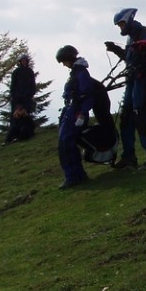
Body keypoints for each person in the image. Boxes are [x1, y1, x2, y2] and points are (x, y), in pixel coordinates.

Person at [104, 8, 146, 170]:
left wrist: (140, 63)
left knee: (140, 116)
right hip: (133, 80)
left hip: (144, 80)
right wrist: (116, 50)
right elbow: (130, 57)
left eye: (121, 24)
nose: (120, 27)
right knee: (126, 117)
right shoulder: (131, 38)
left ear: (129, 20)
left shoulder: (145, 32)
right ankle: (129, 157)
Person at [55, 45, 93, 189]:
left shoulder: (81, 73)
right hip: (70, 110)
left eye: (64, 61)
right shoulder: (76, 72)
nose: (64, 64)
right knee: (65, 143)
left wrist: (82, 113)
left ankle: (73, 176)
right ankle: (76, 174)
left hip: (76, 112)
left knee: (66, 142)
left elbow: (87, 94)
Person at [5, 53, 37, 144]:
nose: (24, 62)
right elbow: (13, 84)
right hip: (17, 96)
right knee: (15, 115)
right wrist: (12, 95)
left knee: (26, 114)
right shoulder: (16, 72)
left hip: (27, 96)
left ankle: (27, 132)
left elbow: (32, 83)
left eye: (25, 60)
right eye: (22, 61)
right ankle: (14, 134)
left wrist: (32, 92)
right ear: (20, 62)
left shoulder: (30, 71)